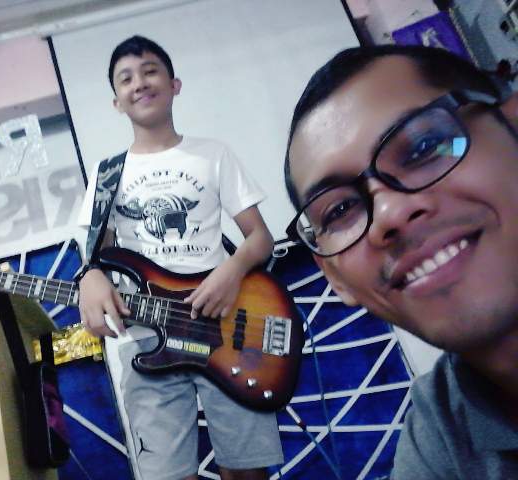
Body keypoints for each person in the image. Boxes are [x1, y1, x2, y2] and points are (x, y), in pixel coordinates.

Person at [283, 44, 518, 479]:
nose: (388, 214)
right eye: (339, 210)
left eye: (423, 147)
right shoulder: (439, 436)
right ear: (334, 278)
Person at [77, 35, 283, 480]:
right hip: (147, 336)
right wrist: (89, 276)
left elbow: (260, 238)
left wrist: (231, 271)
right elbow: (100, 254)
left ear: (174, 85)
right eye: (126, 79)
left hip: (225, 327)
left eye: (150, 71)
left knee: (247, 472)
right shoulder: (106, 174)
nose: (139, 83)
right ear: (116, 102)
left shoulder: (213, 154)